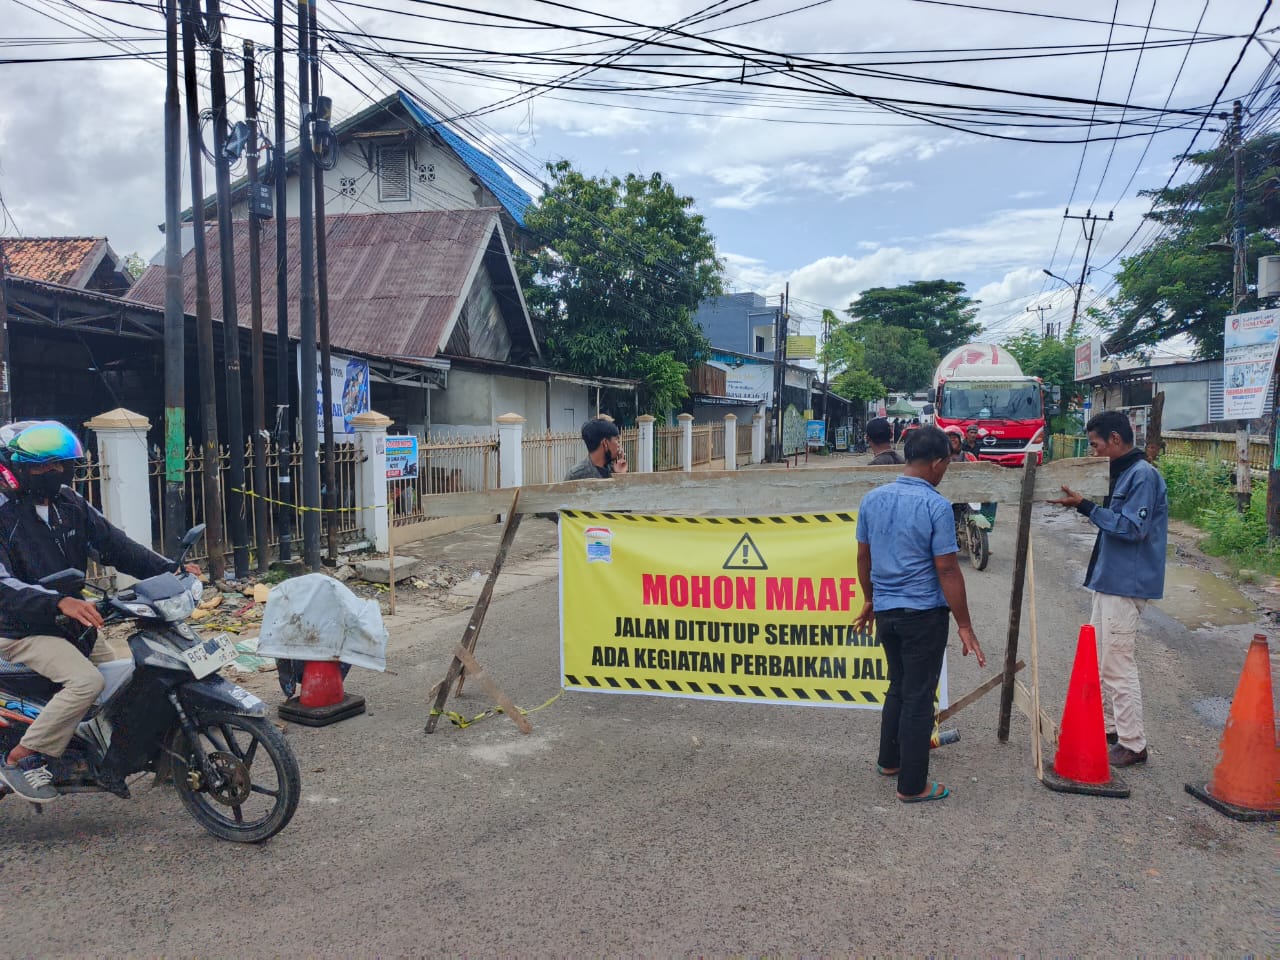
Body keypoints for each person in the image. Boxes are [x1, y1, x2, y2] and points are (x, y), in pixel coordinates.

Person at [0, 422, 195, 803]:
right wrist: (56, 602)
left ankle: (107, 753)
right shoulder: (3, 513)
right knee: (86, 683)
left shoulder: (69, 503)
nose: (54, 472)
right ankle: (23, 757)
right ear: (16, 467)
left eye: (60, 464)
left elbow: (117, 546)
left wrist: (170, 570)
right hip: (21, 629)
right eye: (41, 466)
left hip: (72, 623)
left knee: (132, 678)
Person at [853, 426, 985, 803]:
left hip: (887, 612)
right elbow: (947, 568)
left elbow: (863, 557)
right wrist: (964, 624)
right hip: (923, 614)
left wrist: (870, 599)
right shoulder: (935, 505)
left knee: (898, 685)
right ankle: (912, 786)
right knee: (918, 696)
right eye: (947, 464)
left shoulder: (872, 499)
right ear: (938, 462)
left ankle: (890, 761)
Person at [1050, 410, 1167, 768]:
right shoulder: (1122, 472)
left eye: (1095, 444)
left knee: (1117, 662)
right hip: (1110, 578)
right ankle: (1113, 728)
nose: (1094, 451)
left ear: (1115, 439)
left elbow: (1132, 529)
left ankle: (1133, 743)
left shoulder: (1142, 475)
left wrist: (1086, 507)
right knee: (1102, 659)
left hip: (1127, 581)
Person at [564, 417, 628, 480]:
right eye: (616, 439)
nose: (619, 445)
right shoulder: (576, 475)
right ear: (605, 443)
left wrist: (620, 475)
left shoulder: (614, 469)